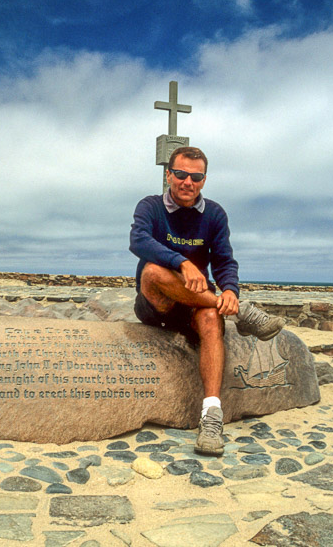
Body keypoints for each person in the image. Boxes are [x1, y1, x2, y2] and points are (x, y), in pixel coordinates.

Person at [129, 146, 284, 456]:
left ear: (204, 179)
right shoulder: (150, 206)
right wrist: (182, 263)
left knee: (212, 318)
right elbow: (138, 240)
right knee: (153, 271)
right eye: (182, 174)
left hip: (196, 305)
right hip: (157, 304)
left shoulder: (214, 214)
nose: (188, 182)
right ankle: (245, 314)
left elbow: (225, 261)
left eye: (196, 177)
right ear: (169, 174)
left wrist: (229, 291)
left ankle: (212, 418)